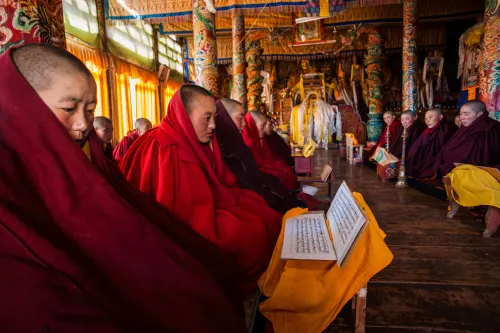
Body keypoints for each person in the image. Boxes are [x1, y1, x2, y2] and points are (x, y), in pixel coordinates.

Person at [0, 44, 247, 333]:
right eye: (69, 109)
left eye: (90, 110)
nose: (82, 124)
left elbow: (132, 215)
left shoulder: (87, 154)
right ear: (19, 104)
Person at [119, 85, 283, 299]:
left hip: (203, 208)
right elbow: (188, 220)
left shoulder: (184, 138)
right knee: (254, 234)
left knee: (261, 208)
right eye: (206, 118)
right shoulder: (171, 150)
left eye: (214, 117)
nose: (213, 125)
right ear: (184, 116)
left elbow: (220, 185)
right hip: (179, 232)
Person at [215, 98, 296, 214]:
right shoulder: (222, 147)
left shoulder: (238, 145)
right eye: (240, 118)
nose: (243, 124)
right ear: (224, 117)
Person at [433, 100, 500, 178]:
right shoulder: (464, 128)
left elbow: (485, 157)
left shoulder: (490, 129)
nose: (462, 118)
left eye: (466, 114)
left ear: (479, 114)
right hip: (453, 169)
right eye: (460, 114)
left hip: (475, 173)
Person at [243, 111, 298, 191]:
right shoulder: (249, 142)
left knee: (286, 170)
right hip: (259, 173)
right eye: (262, 126)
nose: (265, 129)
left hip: (268, 167)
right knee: (283, 175)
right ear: (253, 125)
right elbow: (256, 166)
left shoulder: (262, 139)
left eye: (266, 125)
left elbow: (269, 159)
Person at [406, 108, 455, 179]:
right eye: (425, 118)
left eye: (430, 117)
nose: (427, 121)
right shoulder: (427, 131)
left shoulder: (446, 130)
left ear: (440, 117)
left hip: (435, 162)